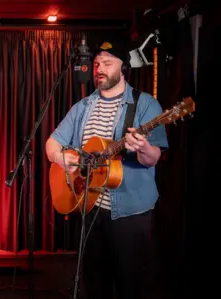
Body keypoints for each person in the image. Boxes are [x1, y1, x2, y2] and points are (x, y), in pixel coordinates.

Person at [45, 40, 168, 299]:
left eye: (107, 63)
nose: (99, 68)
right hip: (90, 210)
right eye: (97, 64)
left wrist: (143, 146)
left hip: (130, 214)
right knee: (95, 286)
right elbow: (51, 143)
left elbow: (153, 157)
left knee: (131, 288)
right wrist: (60, 157)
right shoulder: (83, 107)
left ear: (123, 68)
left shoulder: (145, 104)